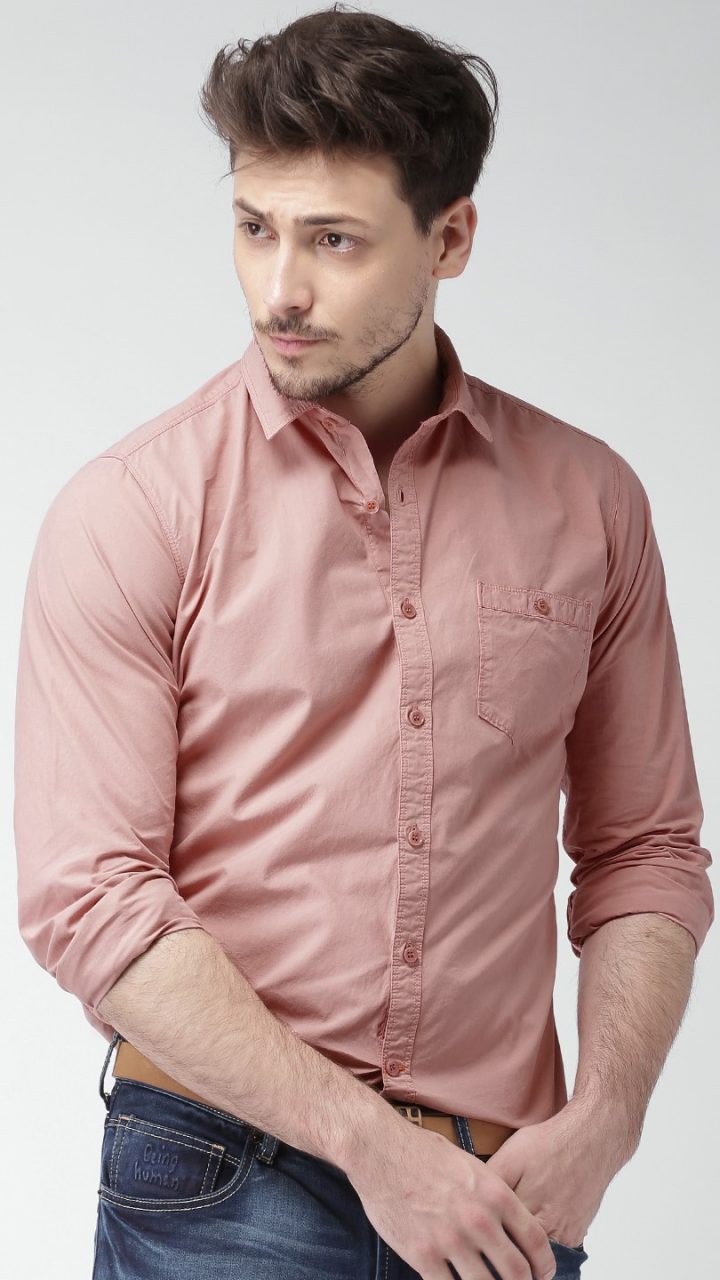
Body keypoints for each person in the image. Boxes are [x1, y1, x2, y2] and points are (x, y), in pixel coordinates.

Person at [13, 7, 714, 1280]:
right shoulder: (134, 508)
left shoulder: (591, 502)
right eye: (254, 227)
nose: (279, 288)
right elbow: (91, 896)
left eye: (333, 239)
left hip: (504, 1191)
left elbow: (645, 850)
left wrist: (609, 1117)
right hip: (224, 1172)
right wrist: (370, 1147)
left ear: (451, 238)